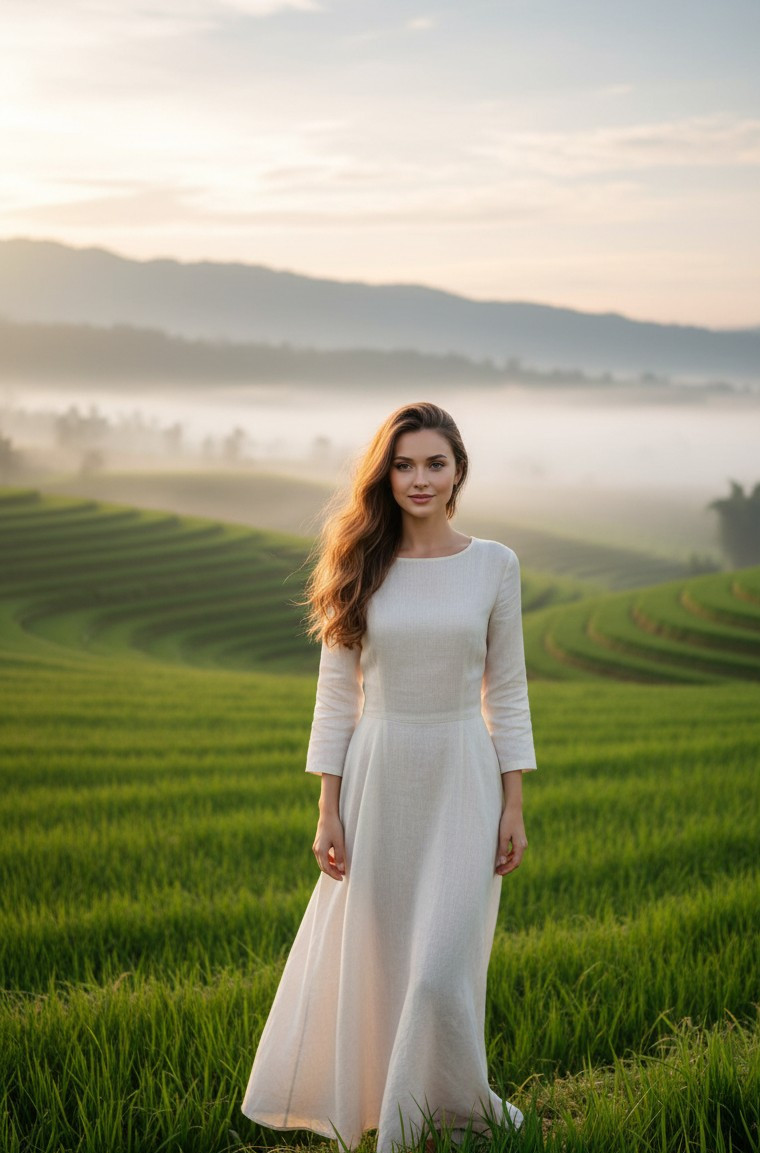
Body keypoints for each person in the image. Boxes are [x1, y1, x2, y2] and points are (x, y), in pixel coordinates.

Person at [241, 400, 537, 1152]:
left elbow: (506, 691)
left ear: (459, 470)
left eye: (435, 462)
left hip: (463, 775)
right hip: (378, 774)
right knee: (381, 961)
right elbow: (335, 698)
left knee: (439, 970)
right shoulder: (359, 564)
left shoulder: (494, 565)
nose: (419, 478)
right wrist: (326, 807)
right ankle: (395, 1110)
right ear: (385, 473)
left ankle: (420, 1122)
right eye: (403, 463)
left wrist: (514, 802)